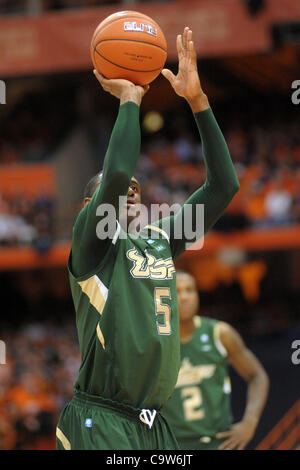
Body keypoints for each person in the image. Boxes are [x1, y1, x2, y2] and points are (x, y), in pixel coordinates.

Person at [56, 27, 240, 450]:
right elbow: (117, 174)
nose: (131, 189)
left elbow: (223, 187)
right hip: (101, 419)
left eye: (138, 187)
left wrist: (198, 102)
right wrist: (130, 98)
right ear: (90, 206)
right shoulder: (91, 246)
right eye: (121, 189)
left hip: (154, 423)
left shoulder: (161, 239)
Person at [162, 270, 269, 450]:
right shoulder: (153, 341)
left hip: (218, 443)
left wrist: (249, 423)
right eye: (177, 291)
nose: (185, 297)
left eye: (190, 290)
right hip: (171, 447)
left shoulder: (219, 333)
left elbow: (257, 376)